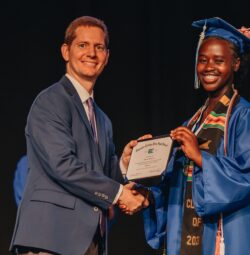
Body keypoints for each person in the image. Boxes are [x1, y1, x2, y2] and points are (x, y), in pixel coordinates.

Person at [10, 16, 148, 255]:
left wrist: (124, 165)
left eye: (99, 47)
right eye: (82, 45)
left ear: (107, 57)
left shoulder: (102, 119)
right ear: (66, 51)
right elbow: (62, 165)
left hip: (89, 240)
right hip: (50, 238)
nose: (91, 53)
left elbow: (99, 176)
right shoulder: (50, 101)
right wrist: (120, 194)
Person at [138, 17, 250, 255]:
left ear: (235, 64)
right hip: (191, 234)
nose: (208, 67)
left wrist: (201, 158)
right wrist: (146, 172)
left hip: (233, 235)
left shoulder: (247, 117)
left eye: (218, 60)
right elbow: (178, 185)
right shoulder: (192, 123)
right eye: (203, 60)